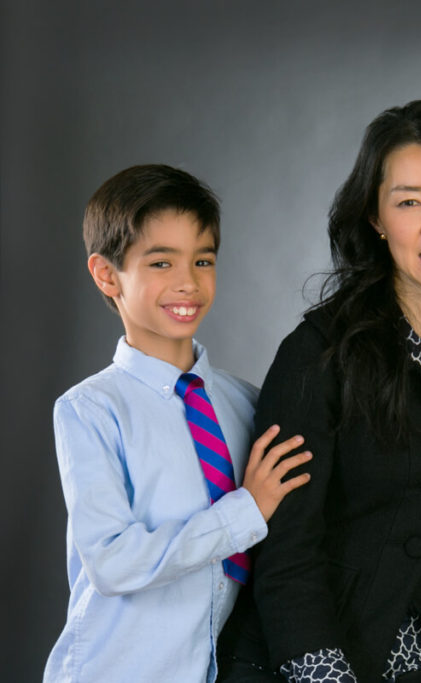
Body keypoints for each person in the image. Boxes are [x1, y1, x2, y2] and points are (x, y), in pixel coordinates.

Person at [216, 99, 421, 683]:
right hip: (306, 661)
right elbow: (286, 554)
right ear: (375, 217)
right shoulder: (317, 354)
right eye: (409, 201)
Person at [44, 164, 312, 683]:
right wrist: (245, 511)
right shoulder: (90, 410)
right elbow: (112, 562)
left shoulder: (247, 404)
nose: (188, 282)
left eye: (203, 260)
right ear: (106, 274)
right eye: (161, 262)